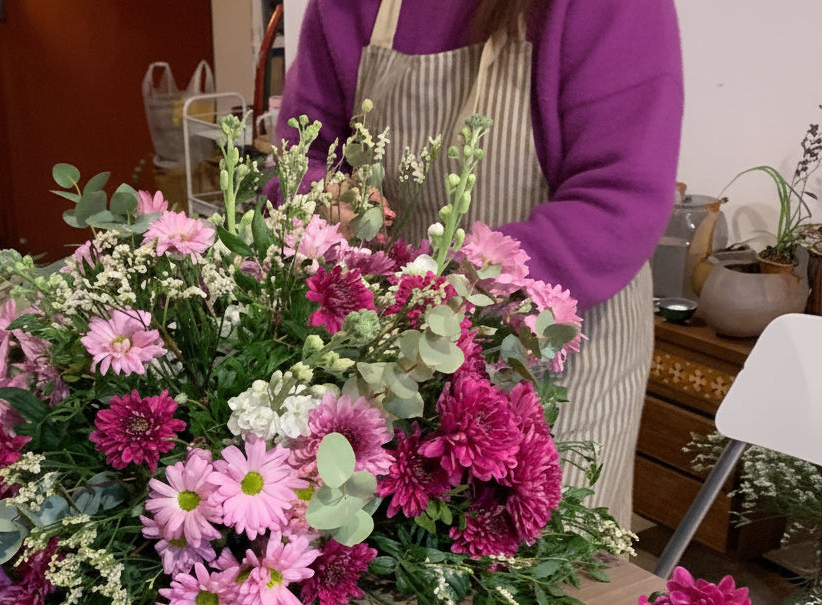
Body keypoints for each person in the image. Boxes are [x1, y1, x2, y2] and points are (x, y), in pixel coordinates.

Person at [275, 0, 685, 528]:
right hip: (389, 350)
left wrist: (444, 293)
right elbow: (301, 153)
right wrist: (324, 201)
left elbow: (616, 202)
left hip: (550, 356)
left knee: (539, 584)